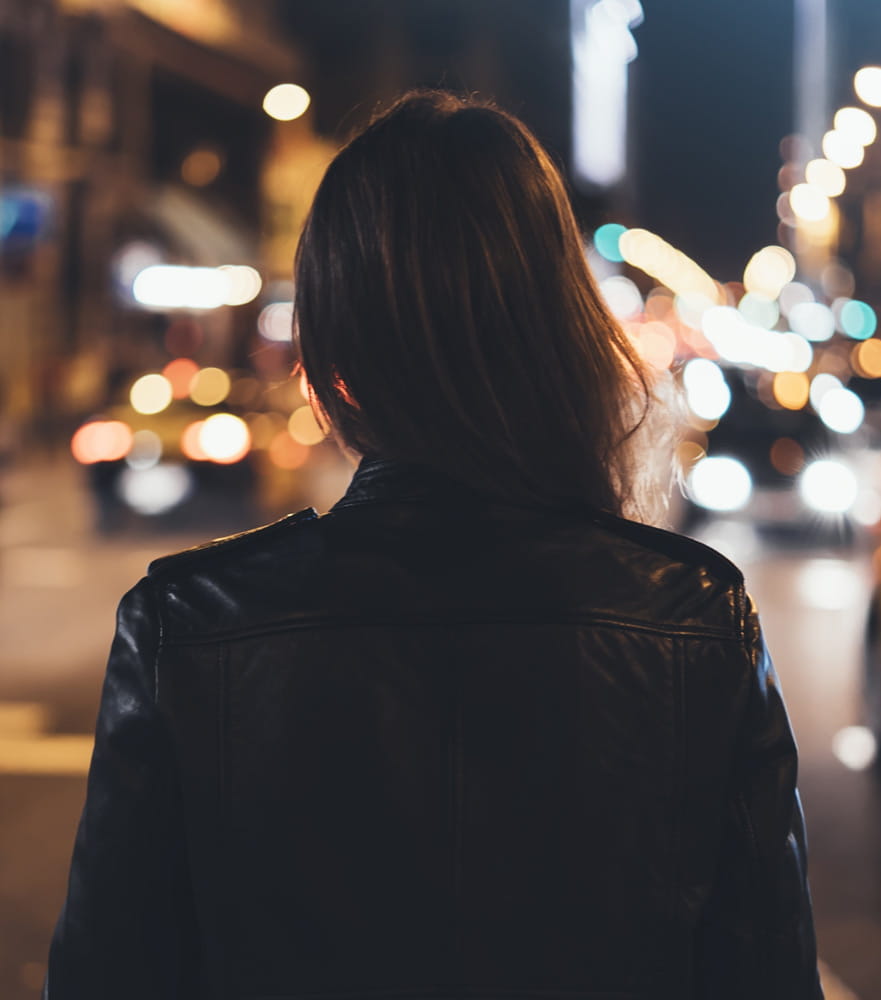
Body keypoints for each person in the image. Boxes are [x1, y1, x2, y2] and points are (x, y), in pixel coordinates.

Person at [46, 90, 823, 999]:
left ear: (331, 355)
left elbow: (110, 972)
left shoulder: (184, 629)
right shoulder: (696, 621)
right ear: (560, 331)